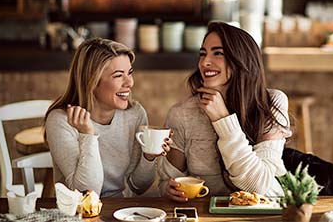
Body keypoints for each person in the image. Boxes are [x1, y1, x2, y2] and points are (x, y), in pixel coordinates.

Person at [159, 22, 292, 202]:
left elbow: (259, 186)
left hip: (261, 214)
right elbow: (167, 181)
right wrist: (169, 189)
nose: (205, 62)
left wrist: (223, 120)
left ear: (241, 59)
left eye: (218, 53)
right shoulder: (182, 114)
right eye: (203, 54)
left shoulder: (270, 103)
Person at [45, 38, 170, 197]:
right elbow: (87, 193)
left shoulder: (135, 114)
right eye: (118, 76)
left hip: (120, 211)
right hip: (78, 213)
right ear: (92, 81)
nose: (129, 82)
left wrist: (149, 156)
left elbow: (138, 187)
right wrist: (87, 135)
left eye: (129, 73)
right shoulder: (62, 120)